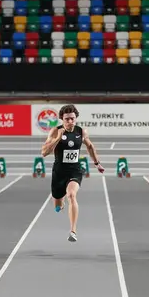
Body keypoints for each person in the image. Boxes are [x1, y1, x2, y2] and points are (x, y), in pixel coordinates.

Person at [41, 104, 105, 242]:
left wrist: (97, 163)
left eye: (72, 118)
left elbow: (90, 146)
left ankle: (73, 231)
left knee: (71, 195)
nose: (70, 121)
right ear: (62, 119)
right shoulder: (55, 131)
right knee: (58, 205)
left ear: (76, 118)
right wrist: (58, 138)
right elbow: (44, 152)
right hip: (59, 171)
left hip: (74, 170)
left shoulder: (81, 131)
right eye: (67, 119)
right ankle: (60, 202)